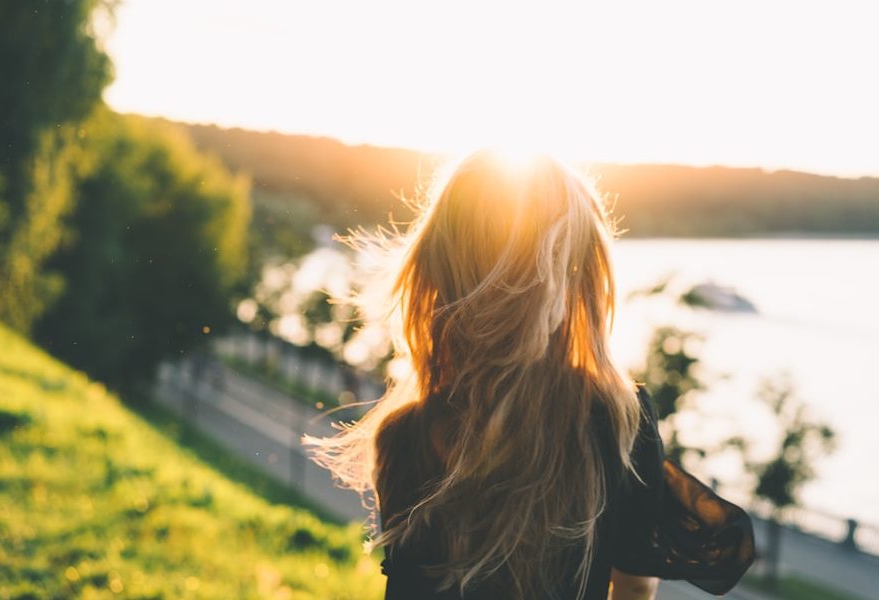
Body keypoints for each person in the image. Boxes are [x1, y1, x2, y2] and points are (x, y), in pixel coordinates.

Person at [306, 150, 754, 599]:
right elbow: (635, 587)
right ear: (574, 279)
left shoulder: (402, 436)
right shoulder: (616, 424)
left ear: (436, 271)